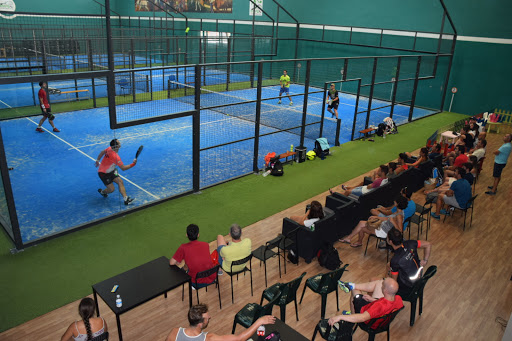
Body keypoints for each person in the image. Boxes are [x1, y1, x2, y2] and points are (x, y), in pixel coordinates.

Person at [165, 304, 275, 341]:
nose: (210, 317)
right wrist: (259, 321)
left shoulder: (174, 332)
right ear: (200, 324)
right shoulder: (209, 338)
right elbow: (239, 338)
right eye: (208, 318)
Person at [327, 278, 403, 329]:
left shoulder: (379, 306)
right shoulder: (398, 299)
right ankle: (351, 286)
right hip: (383, 322)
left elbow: (363, 317)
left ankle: (352, 316)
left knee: (354, 290)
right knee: (362, 291)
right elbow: (385, 306)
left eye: (382, 286)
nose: (381, 286)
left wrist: (340, 317)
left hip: (369, 321)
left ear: (385, 291)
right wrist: (372, 300)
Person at [339, 195, 407, 247]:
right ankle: (355, 240)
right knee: (361, 226)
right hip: (383, 227)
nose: (394, 201)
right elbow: (388, 218)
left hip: (384, 231)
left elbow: (400, 230)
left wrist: (393, 222)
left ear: (397, 204)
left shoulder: (399, 216)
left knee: (361, 225)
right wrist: (377, 217)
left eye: (395, 201)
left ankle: (350, 238)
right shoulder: (398, 212)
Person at [387, 228, 432, 297]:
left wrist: (387, 282)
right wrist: (425, 260)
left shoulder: (395, 260)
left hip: (409, 286)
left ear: (390, 241)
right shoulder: (410, 243)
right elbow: (428, 244)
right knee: (389, 265)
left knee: (385, 282)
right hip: (419, 276)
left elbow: (394, 282)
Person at [170, 224, 216, 288]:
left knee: (184, 268)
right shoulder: (206, 244)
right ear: (198, 235)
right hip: (212, 278)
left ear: (186, 235)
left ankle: (193, 286)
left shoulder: (183, 247)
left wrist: (179, 261)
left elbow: (171, 263)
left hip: (196, 282)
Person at [95, 139, 136, 205]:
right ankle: (102, 192)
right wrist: (133, 164)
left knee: (120, 182)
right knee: (111, 190)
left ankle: (126, 199)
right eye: (119, 143)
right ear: (116, 146)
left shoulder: (109, 148)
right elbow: (123, 168)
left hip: (113, 171)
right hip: (103, 173)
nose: (120, 144)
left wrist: (97, 160)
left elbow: (102, 152)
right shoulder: (115, 156)